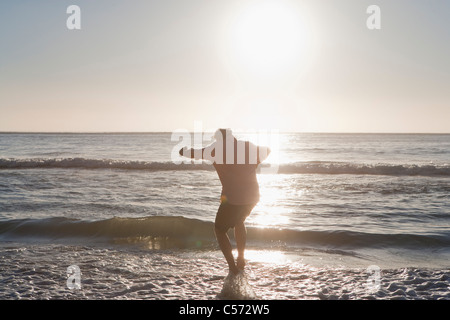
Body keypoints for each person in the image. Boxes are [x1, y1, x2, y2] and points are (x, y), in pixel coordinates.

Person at [179, 128, 271, 275]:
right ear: (232, 136)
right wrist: (254, 163)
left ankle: (232, 267)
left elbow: (194, 153)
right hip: (252, 197)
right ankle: (241, 257)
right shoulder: (247, 145)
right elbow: (267, 150)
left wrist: (182, 151)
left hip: (233, 199)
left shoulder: (216, 149)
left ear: (218, 139)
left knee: (219, 230)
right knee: (239, 222)